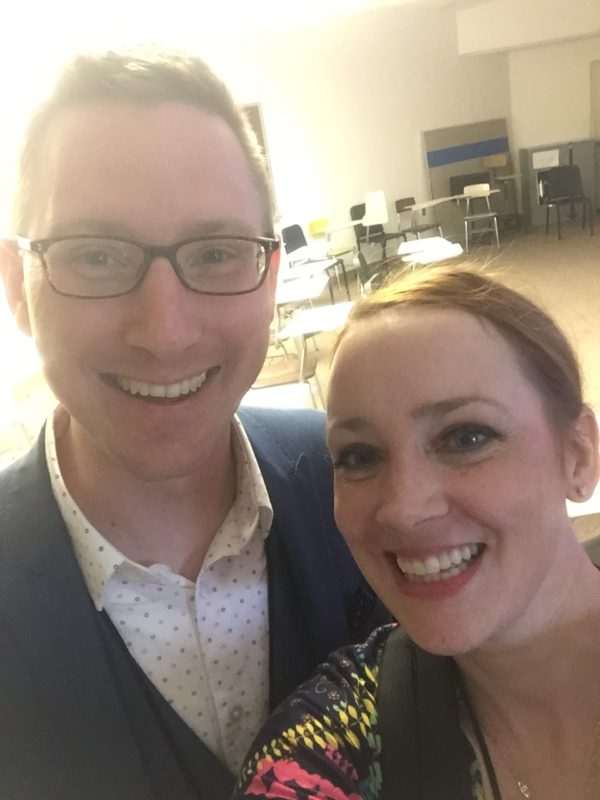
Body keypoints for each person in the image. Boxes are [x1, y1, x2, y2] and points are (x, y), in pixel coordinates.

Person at [0, 46, 387, 800]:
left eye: (215, 253)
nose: (165, 331)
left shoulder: (358, 479)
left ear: (270, 279)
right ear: (17, 286)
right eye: (96, 256)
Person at [233, 265, 600, 800]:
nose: (404, 509)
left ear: (579, 454)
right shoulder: (324, 747)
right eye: (360, 456)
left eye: (466, 437)